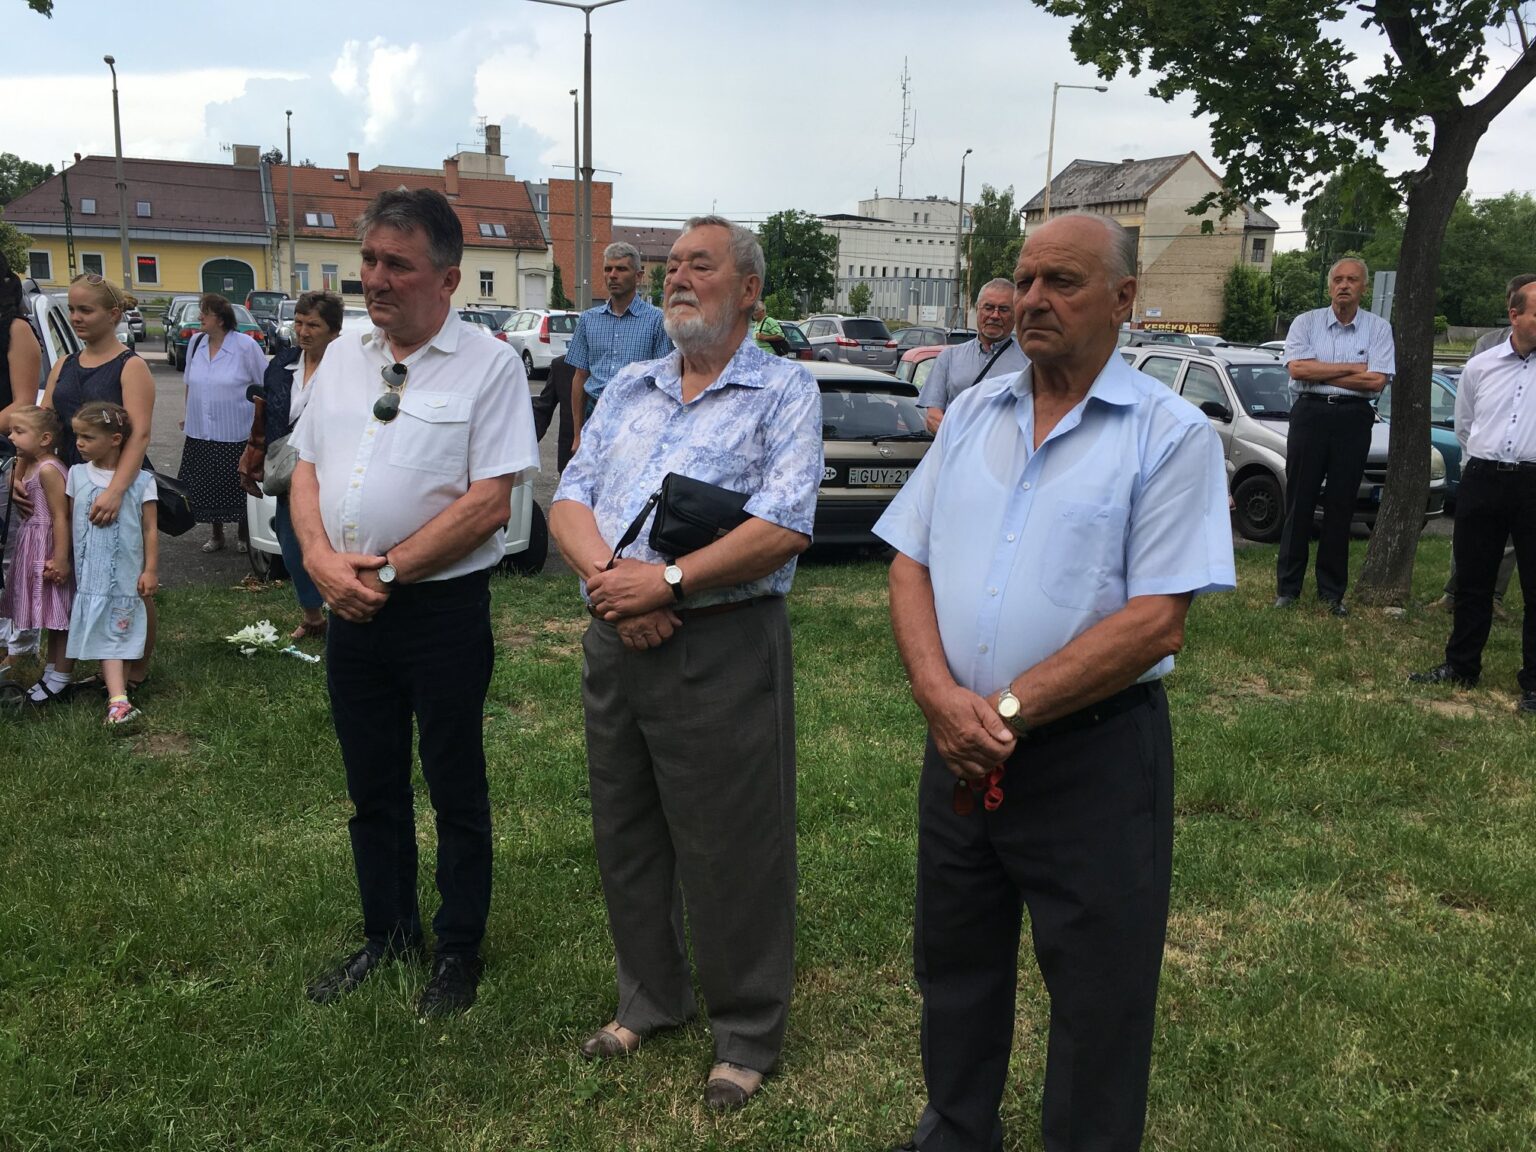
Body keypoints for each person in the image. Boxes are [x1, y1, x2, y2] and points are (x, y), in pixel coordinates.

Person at [875, 214, 1234, 1152]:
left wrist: (999, 711)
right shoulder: (972, 418)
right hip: (957, 752)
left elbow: (1157, 620)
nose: (1032, 299)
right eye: (1025, 279)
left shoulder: (1170, 434)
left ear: (1123, 300)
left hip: (1092, 761)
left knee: (1099, 996)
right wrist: (938, 698)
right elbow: (909, 561)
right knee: (955, 966)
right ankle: (956, 1132)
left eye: (1061, 282)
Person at [549, 215, 822, 1112]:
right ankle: (649, 999)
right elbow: (571, 496)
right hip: (615, 634)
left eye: (699, 265)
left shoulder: (783, 389)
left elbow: (783, 522)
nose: (676, 277)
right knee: (626, 829)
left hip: (721, 640)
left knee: (734, 844)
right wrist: (614, 585)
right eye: (671, 265)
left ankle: (745, 1032)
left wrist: (666, 582)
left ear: (748, 290)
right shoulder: (631, 385)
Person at [292, 187, 538, 1018]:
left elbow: (490, 501)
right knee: (372, 785)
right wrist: (321, 562)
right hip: (349, 610)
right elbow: (306, 469)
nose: (375, 279)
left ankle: (458, 947)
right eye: (368, 260)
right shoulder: (342, 358)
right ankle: (389, 933)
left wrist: (384, 575)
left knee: (454, 784)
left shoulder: (490, 366)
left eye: (397, 264)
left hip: (439, 614)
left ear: (448, 278)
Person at [12, 273, 157, 697]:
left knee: (126, 575)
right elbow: (42, 421)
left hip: (117, 480)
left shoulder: (131, 367)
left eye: (86, 310)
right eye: (72, 309)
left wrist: (116, 492)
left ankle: (135, 668)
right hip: (70, 480)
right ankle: (69, 662)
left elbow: (140, 434)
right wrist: (21, 468)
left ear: (113, 315)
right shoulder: (64, 364)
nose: (76, 317)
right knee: (74, 571)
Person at [1410, 280, 1536, 715]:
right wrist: (1481, 463)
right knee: (1473, 579)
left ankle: (1534, 683)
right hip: (1484, 478)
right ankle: (1462, 666)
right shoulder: (1481, 366)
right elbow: (1465, 425)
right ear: (1515, 316)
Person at [1274, 257, 1394, 617]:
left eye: (1352, 280)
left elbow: (1376, 380)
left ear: (1363, 287)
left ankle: (1331, 592)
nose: (1344, 285)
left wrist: (1321, 370)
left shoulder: (1378, 328)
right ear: (1329, 286)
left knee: (1342, 505)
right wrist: (1352, 368)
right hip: (1309, 415)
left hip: (1354, 419)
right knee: (1300, 500)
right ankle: (1288, 589)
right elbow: (1298, 369)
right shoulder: (1305, 322)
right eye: (1338, 279)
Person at [237, 290, 344, 640]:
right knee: (291, 542)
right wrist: (254, 453)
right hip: (287, 468)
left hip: (333, 468)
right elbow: (266, 413)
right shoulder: (282, 362)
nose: (303, 331)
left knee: (338, 543)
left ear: (334, 331)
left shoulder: (347, 369)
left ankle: (343, 614)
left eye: (313, 325)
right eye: (299, 322)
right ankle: (313, 617)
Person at [65, 401, 158, 726]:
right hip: (91, 577)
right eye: (77, 436)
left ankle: (119, 698)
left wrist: (150, 569)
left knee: (119, 632)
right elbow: (70, 520)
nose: (79, 443)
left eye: (88, 437)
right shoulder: (76, 475)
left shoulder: (142, 481)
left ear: (115, 439)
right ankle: (119, 697)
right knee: (111, 635)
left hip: (126, 577)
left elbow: (149, 529)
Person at [566, 241, 672, 453]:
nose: (612, 275)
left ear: (638, 276)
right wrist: (577, 434)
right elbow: (580, 377)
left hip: (637, 416)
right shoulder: (588, 320)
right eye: (608, 269)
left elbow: (664, 380)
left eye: (621, 269)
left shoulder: (656, 320)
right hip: (595, 412)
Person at [178, 293, 263, 554]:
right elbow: (190, 382)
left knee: (238, 486)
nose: (200, 317)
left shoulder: (245, 346)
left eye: (205, 312)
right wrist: (188, 414)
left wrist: (262, 424)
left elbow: (262, 383)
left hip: (235, 431)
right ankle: (216, 535)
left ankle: (243, 534)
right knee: (207, 486)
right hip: (201, 432)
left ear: (221, 319)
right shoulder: (196, 343)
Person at [0, 407, 72, 704]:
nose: (11, 437)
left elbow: (60, 516)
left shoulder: (48, 469)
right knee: (50, 616)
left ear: (45, 439)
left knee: (59, 615)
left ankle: (61, 676)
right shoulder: (28, 464)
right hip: (32, 544)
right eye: (11, 431)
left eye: (19, 432)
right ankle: (51, 672)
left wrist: (61, 559)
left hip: (49, 549)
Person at [0, 252, 44, 683]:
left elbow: (24, 405)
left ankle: (21, 646)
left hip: (5, 455)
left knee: (13, 557)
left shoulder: (16, 329)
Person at [915, 278, 1029, 435]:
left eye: (1003, 309)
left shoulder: (1030, 362)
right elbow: (933, 417)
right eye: (988, 307)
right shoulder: (948, 358)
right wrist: (962, 443)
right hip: (956, 447)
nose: (995, 315)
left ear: (1016, 314)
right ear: (977, 309)